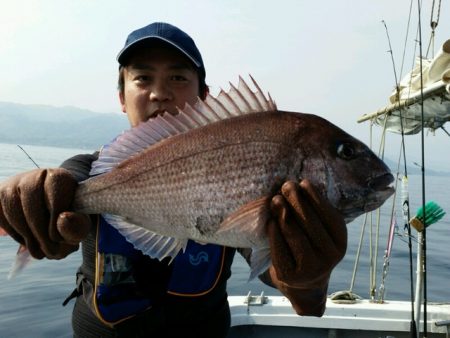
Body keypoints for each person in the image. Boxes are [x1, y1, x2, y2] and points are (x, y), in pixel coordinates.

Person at [0, 22, 347, 337]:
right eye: (143, 78)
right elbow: (61, 185)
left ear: (204, 97)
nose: (159, 93)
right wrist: (22, 194)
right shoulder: (89, 170)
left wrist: (308, 282)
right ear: (122, 97)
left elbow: (295, 292)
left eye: (178, 78)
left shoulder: (234, 168)